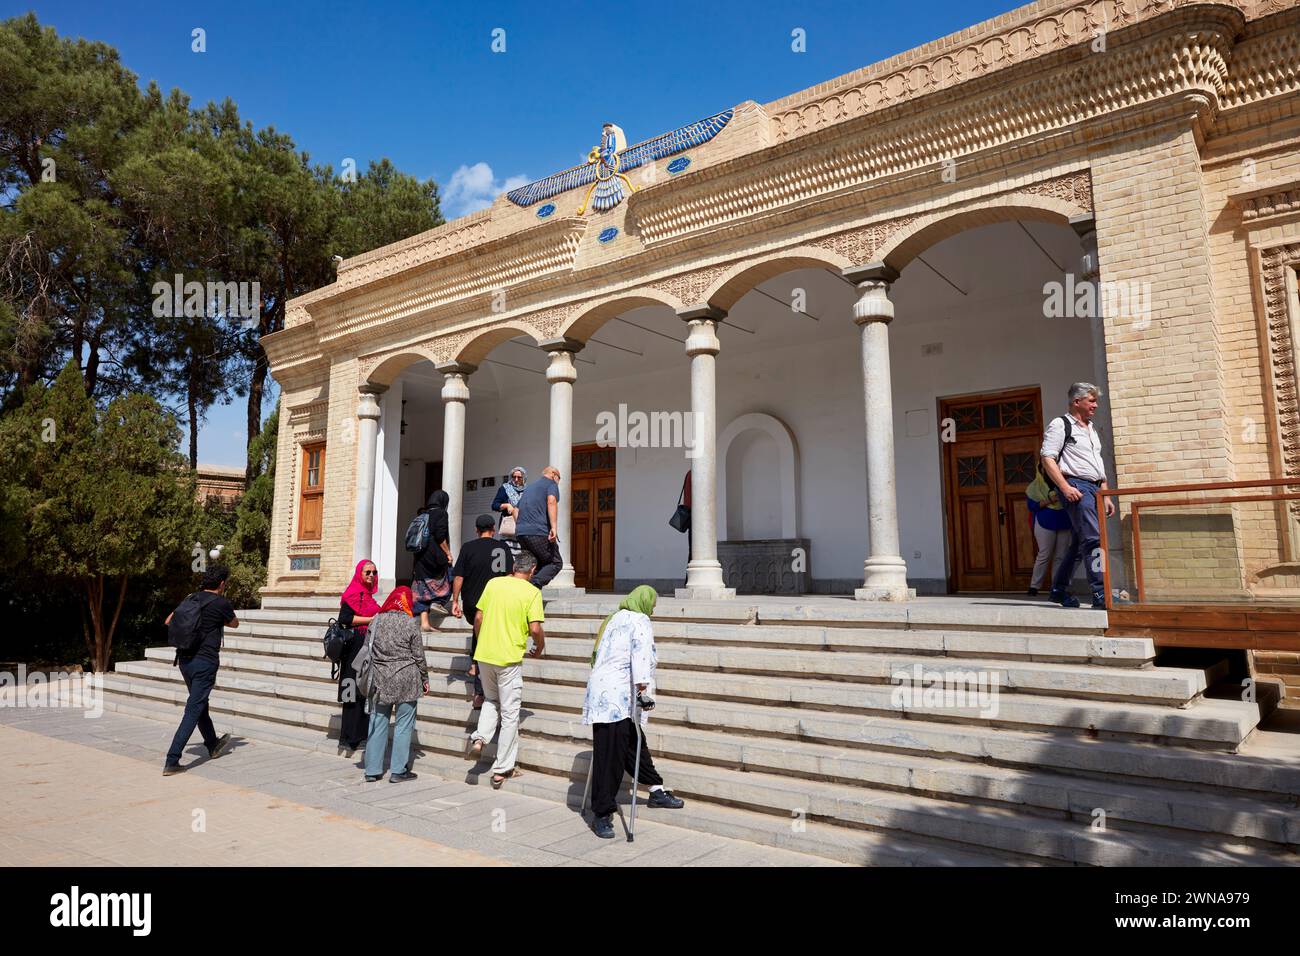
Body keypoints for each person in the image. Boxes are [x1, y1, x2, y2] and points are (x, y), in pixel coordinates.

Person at [582, 586, 684, 839]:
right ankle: (602, 813)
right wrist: (642, 691)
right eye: (653, 605)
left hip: (605, 691)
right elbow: (640, 656)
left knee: (634, 742)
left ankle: (656, 789)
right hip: (617, 695)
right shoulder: (640, 620)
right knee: (609, 756)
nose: (653, 610)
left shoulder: (613, 617)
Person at [467, 550, 545, 789]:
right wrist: (540, 646)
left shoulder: (494, 583)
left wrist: (482, 640)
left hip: (485, 654)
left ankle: (480, 738)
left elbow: (478, 617)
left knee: (491, 700)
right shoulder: (532, 592)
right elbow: (534, 629)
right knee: (510, 713)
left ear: (513, 567)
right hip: (508, 658)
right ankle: (502, 769)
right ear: (532, 571)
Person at [1040, 382, 1116, 609]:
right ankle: (1102, 595)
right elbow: (1047, 458)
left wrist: (1106, 494)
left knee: (1079, 543)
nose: (1095, 405)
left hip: (1095, 489)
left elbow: (1097, 465)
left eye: (1095, 400)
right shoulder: (1061, 424)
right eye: (1091, 400)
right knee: (1094, 540)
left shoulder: (1092, 429)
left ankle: (1058, 590)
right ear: (1076, 402)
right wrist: (1064, 487)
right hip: (1076, 487)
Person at [162, 565, 237, 775]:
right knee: (194, 709)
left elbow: (169, 620)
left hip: (185, 661)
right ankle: (172, 760)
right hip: (205, 663)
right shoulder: (221, 603)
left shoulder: (191, 598)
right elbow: (235, 624)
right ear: (222, 583)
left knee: (199, 703)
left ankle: (212, 744)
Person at [363, 586, 429, 783]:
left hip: (380, 678)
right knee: (404, 724)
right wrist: (425, 679)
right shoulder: (410, 623)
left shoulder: (376, 620)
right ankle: (398, 770)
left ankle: (372, 770)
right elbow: (419, 656)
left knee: (377, 722)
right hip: (407, 678)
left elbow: (367, 648)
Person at [452, 514, 515, 709]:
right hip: (495, 601)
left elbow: (459, 577)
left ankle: (474, 665)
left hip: (472, 602)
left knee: (480, 632)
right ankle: (479, 691)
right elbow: (510, 574)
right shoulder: (503, 547)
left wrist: (455, 600)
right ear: (493, 529)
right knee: (485, 639)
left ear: (476, 530)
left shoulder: (468, 547)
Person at [336, 559, 381, 757]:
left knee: (362, 689)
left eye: (374, 572)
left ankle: (355, 736)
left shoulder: (369, 598)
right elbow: (344, 619)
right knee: (351, 690)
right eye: (367, 573)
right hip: (353, 648)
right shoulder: (353, 593)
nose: (371, 576)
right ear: (359, 574)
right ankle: (349, 737)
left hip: (365, 648)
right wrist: (371, 620)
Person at [514, 465, 564, 588]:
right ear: (554, 475)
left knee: (534, 564)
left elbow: (515, 509)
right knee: (555, 562)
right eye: (559, 478)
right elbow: (551, 501)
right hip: (538, 532)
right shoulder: (551, 484)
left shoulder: (530, 487)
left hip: (521, 533)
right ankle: (532, 586)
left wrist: (521, 525)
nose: (559, 482)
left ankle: (529, 592)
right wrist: (554, 528)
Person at [411, 490, 454, 632]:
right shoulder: (441, 513)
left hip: (420, 557)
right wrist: (448, 553)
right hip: (434, 556)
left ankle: (424, 623)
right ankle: (438, 601)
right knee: (451, 575)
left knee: (423, 589)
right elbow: (440, 536)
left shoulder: (423, 514)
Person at [1026, 477, 1073, 597]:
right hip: (1044, 521)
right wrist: (1050, 500)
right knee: (1044, 554)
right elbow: (1032, 506)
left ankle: (1057, 587)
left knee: (1061, 556)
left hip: (1065, 520)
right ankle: (1034, 586)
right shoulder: (1035, 486)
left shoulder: (1066, 482)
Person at [491, 466, 528, 537]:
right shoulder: (505, 488)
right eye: (514, 477)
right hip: (509, 526)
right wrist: (507, 505)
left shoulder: (527, 490)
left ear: (524, 478)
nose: (516, 479)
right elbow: (494, 505)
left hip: (523, 525)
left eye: (519, 477)